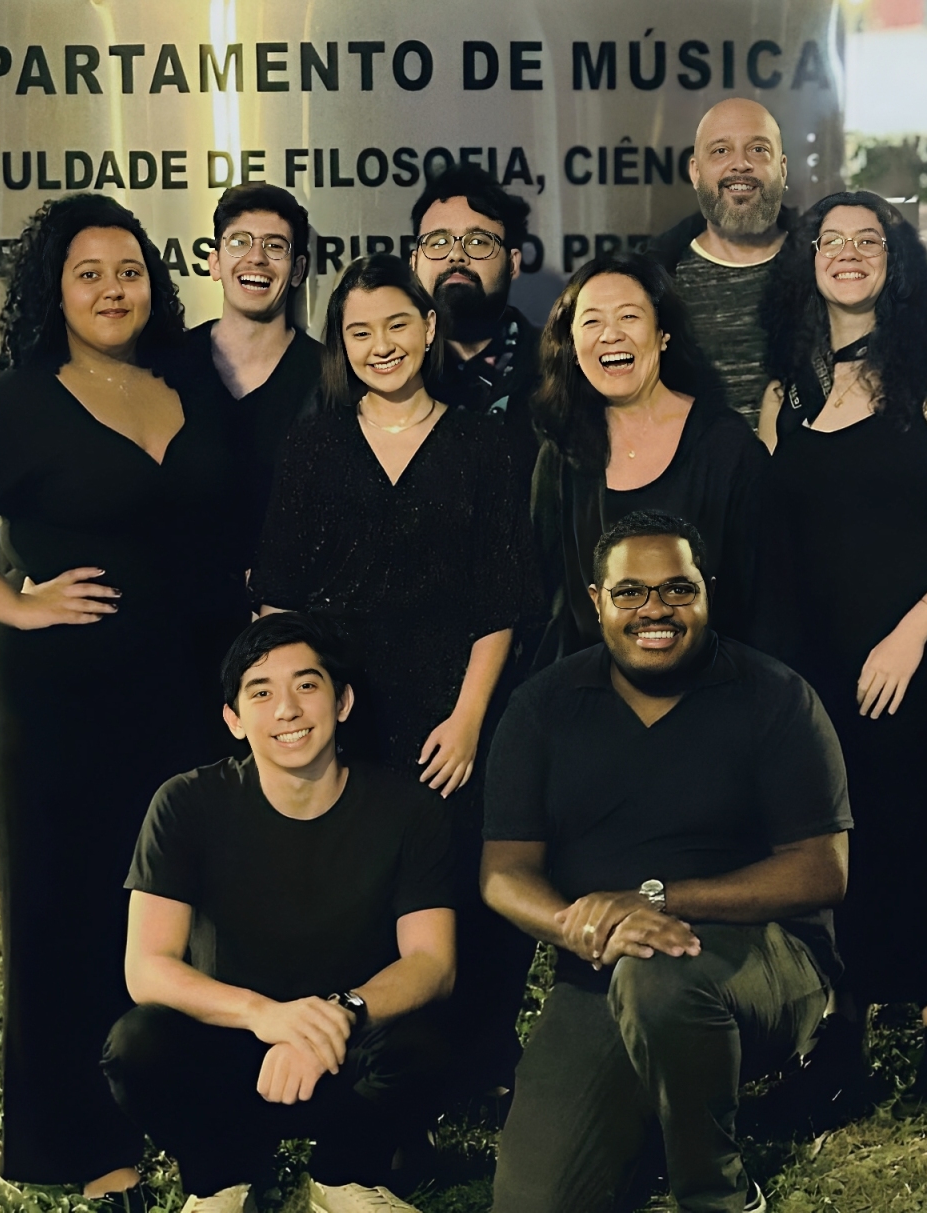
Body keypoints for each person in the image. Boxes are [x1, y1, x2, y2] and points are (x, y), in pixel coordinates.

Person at [0, 194, 248, 1202]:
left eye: (128, 269)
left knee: (175, 905)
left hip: (181, 692)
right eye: (88, 272)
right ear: (52, 287)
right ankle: (86, 1153)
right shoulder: (23, 397)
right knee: (64, 914)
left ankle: (172, 1105)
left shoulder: (182, 380)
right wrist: (11, 600)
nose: (112, 289)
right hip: (58, 706)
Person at [481, 510, 852, 1213]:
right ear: (596, 601)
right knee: (534, 1202)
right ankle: (653, 1122)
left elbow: (820, 872)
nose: (655, 609)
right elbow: (503, 871)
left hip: (766, 964)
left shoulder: (775, 696)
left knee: (662, 983)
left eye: (678, 589)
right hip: (603, 969)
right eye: (630, 592)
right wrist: (578, 924)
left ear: (708, 592)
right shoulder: (543, 707)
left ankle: (716, 1192)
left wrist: (655, 898)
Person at [249, 252, 543, 1098]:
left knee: (461, 889)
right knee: (357, 888)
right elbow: (277, 596)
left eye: (396, 325)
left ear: (428, 329)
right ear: (341, 344)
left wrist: (469, 718)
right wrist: (298, 711)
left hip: (447, 712)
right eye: (358, 331)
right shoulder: (315, 445)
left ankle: (478, 1065)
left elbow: (502, 601)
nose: (380, 345)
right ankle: (362, 1060)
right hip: (341, 708)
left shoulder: (485, 445)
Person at [756, 191, 927, 1114]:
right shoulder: (781, 393)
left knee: (918, 819)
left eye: (869, 240)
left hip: (908, 645)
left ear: (895, 262)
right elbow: (762, 534)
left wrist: (915, 629)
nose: (849, 253)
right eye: (832, 240)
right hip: (806, 657)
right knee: (829, 837)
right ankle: (842, 1025)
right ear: (810, 262)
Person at [103, 612, 454, 1213]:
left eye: (307, 685)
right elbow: (148, 967)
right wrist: (265, 1016)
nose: (286, 709)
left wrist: (336, 1017)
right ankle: (221, 1180)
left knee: (435, 1038)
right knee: (138, 1047)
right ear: (233, 720)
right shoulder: (186, 803)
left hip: (349, 1045)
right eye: (261, 693)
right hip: (231, 1046)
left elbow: (432, 961)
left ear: (342, 702)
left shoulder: (407, 810)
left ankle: (346, 1177)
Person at [530, 253, 765, 664]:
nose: (610, 335)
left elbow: (767, 602)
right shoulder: (561, 454)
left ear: (663, 334)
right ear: (572, 346)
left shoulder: (727, 446)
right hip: (595, 701)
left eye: (629, 317)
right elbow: (547, 597)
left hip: (713, 694)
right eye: (591, 321)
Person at [179, 183, 324, 548]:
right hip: (179, 599)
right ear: (215, 262)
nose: (256, 258)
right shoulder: (167, 366)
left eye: (275, 246)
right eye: (239, 242)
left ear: (297, 270)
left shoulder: (332, 377)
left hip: (291, 602)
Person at [644, 98, 796, 428]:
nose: (740, 164)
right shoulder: (652, 282)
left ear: (782, 169)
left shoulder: (825, 267)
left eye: (758, 150)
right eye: (721, 151)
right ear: (695, 172)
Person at [409, 163, 541, 485]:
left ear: (512, 263)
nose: (457, 255)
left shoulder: (561, 365)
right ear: (414, 263)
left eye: (479, 242)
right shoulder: (388, 371)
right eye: (438, 242)